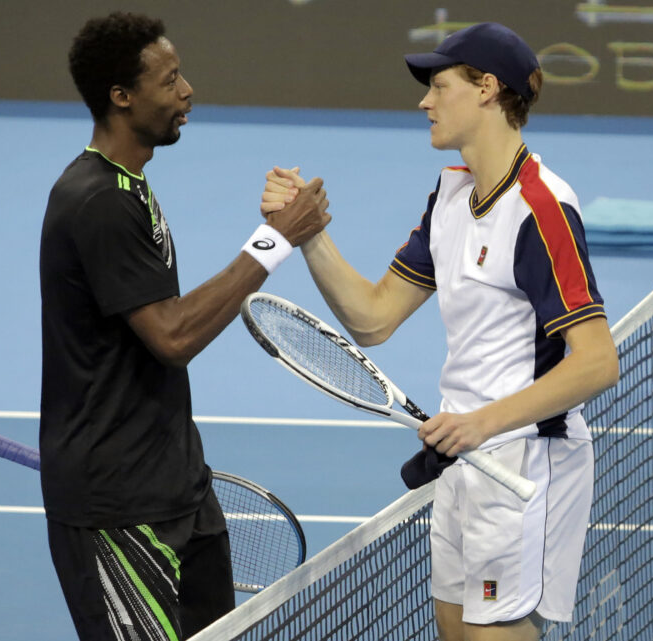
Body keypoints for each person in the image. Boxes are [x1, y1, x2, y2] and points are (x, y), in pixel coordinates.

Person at [261, 22, 619, 641]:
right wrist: (307, 232)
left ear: (487, 89)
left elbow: (596, 363)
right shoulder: (452, 196)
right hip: (463, 454)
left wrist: (483, 422)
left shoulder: (541, 209)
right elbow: (373, 318)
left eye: (438, 85)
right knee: (454, 631)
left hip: (521, 457)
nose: (424, 101)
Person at [39, 12, 329, 641]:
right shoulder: (98, 202)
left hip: (179, 487)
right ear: (122, 97)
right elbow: (172, 337)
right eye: (169, 80)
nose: (187, 90)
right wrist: (273, 242)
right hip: (118, 510)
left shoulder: (130, 186)